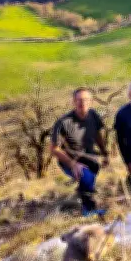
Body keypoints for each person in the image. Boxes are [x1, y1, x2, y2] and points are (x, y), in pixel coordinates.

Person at [50, 88, 109, 217]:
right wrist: (73, 164)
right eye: (79, 100)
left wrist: (105, 153)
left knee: (92, 174)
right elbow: (54, 149)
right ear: (74, 101)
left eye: (86, 100)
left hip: (89, 158)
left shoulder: (93, 115)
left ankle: (81, 194)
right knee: (86, 177)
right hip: (70, 160)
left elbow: (97, 135)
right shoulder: (63, 122)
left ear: (91, 101)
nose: (83, 103)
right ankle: (88, 210)